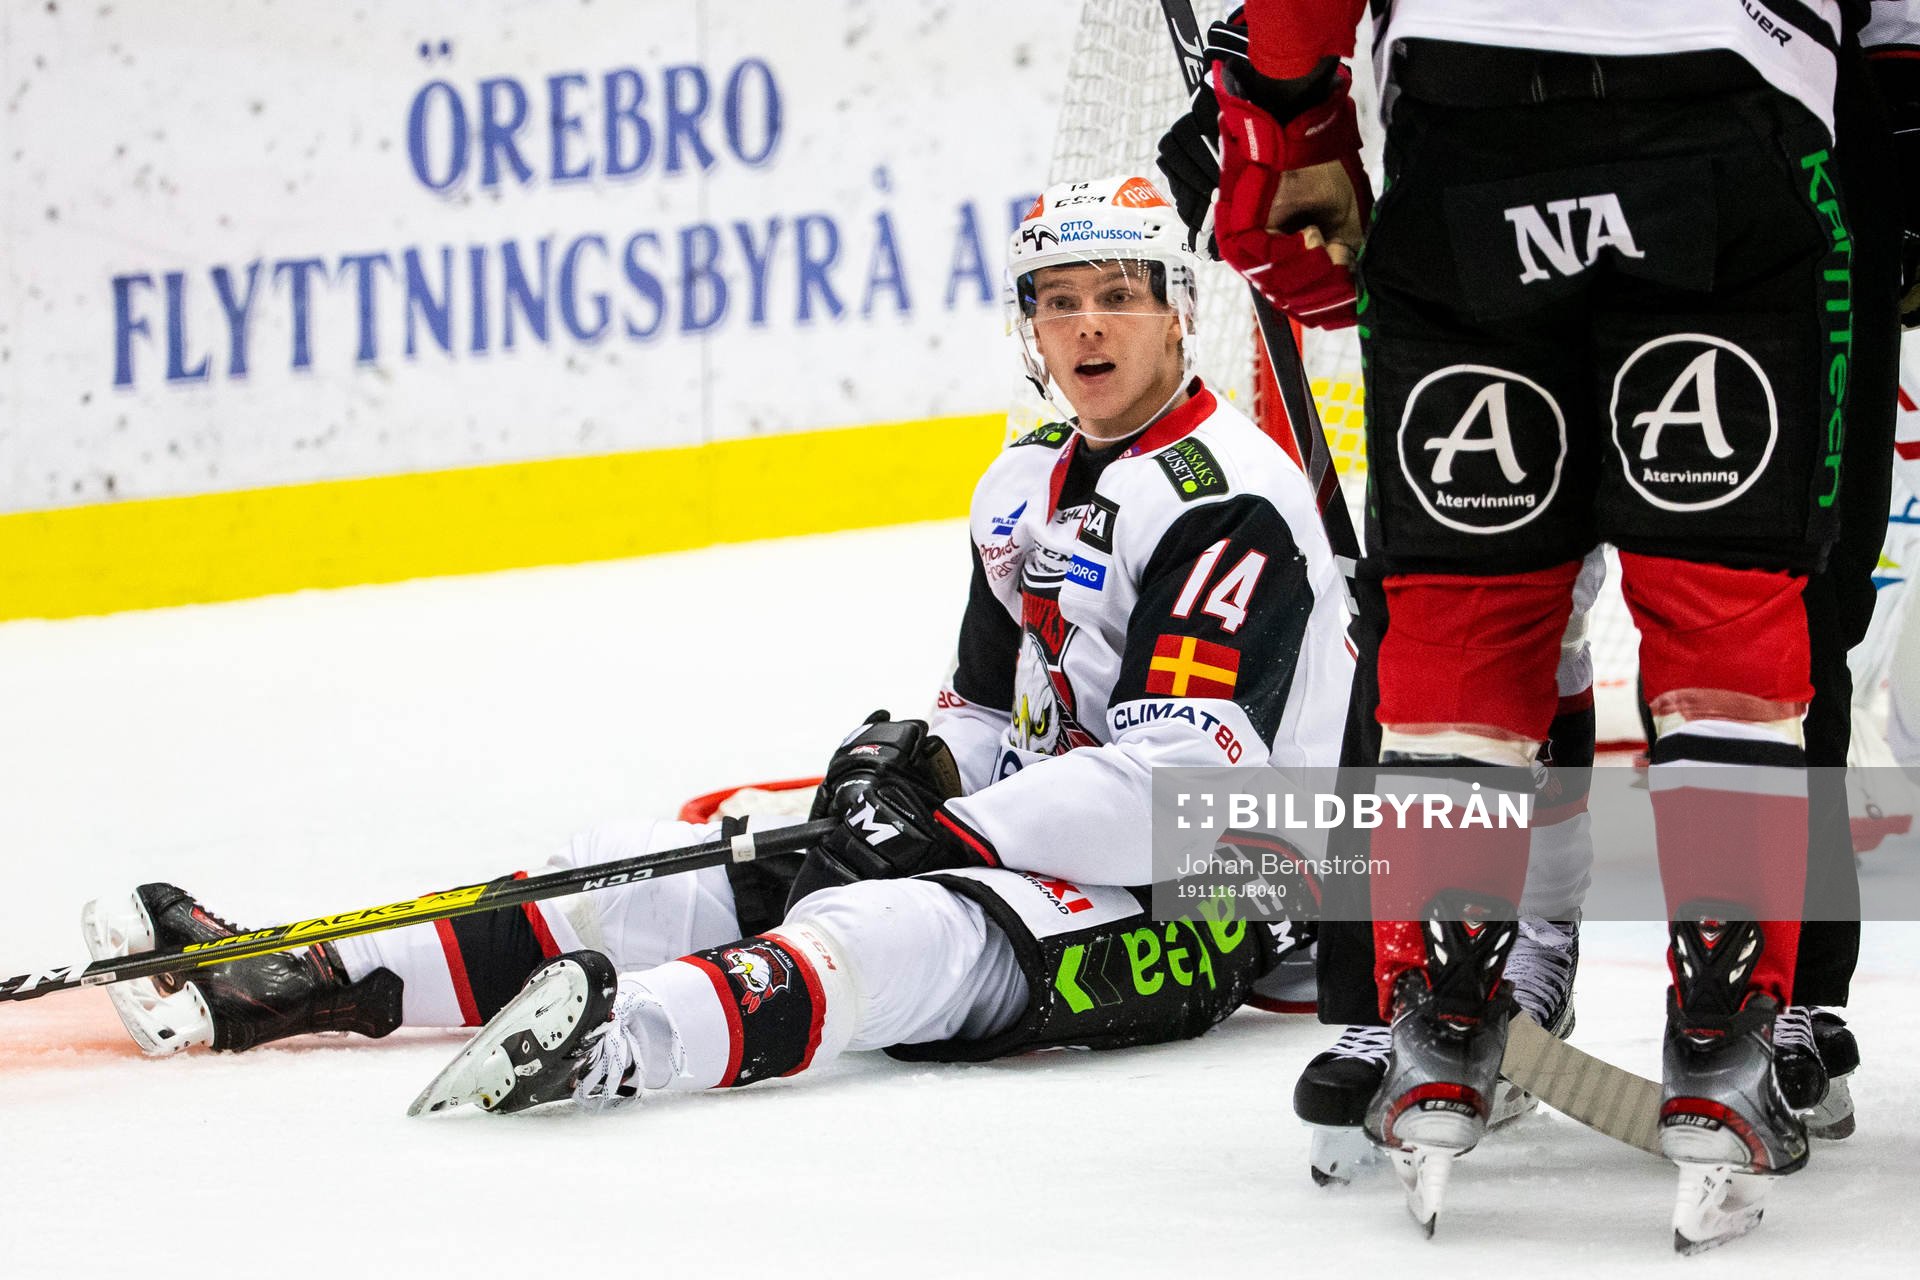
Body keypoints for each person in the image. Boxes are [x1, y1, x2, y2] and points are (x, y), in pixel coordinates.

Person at [85, 173, 1356, 1111]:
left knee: (884, 933)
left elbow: (1185, 793)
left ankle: (614, 1038)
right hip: (1050, 830)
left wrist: (952, 828)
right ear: (1028, 321)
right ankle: (293, 980)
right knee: (650, 859)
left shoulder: (1221, 495)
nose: (1088, 330)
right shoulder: (1018, 480)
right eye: (1060, 301)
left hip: (1228, 900)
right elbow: (987, 708)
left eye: (1118, 300)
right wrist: (914, 763)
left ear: (1176, 312)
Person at [1156, 0, 1920, 1251]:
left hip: (1467, 150)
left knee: (1464, 618)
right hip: (1729, 124)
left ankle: (1441, 1024)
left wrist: (1288, 111)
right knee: (1727, 601)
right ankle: (1727, 1037)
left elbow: (1294, 26)